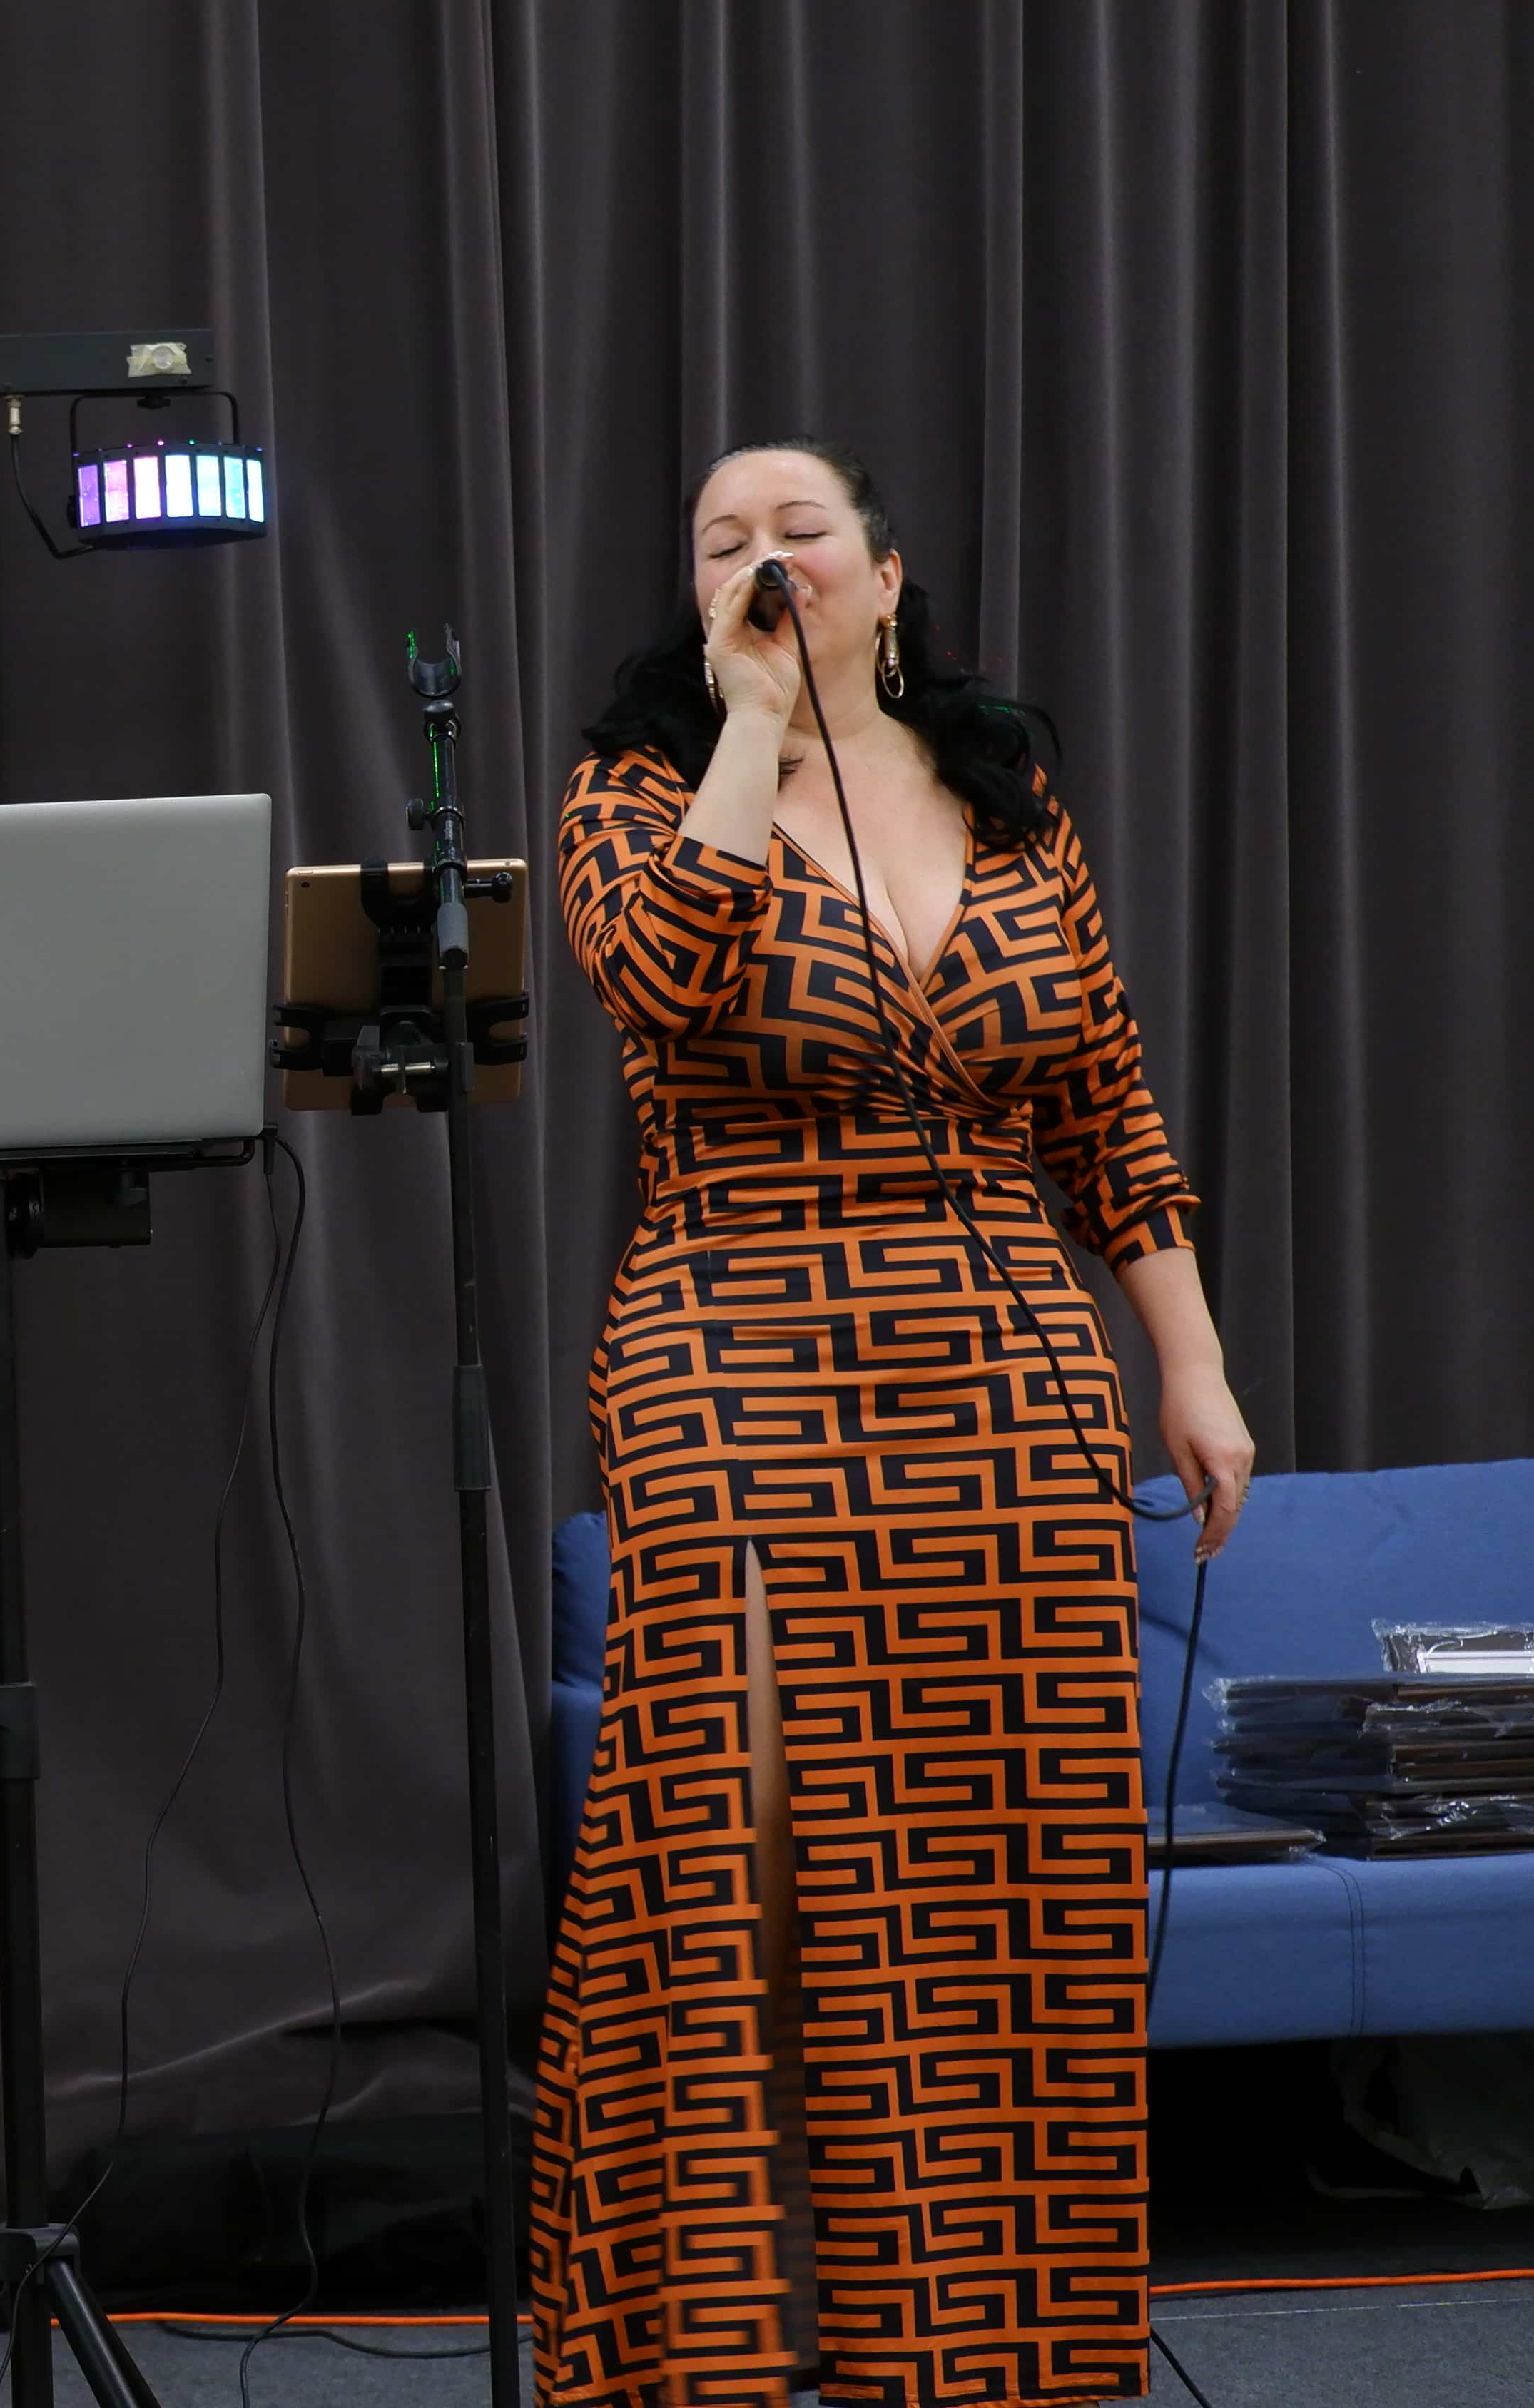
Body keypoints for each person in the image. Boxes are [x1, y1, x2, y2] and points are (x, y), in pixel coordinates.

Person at [531, 439, 1254, 2408]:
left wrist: (1190, 1364)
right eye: (724, 541)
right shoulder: (635, 796)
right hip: (734, 1336)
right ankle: (718, 2345)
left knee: (999, 1853)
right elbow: (662, 978)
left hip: (1002, 1360)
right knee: (740, 1835)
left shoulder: (1010, 803)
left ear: (889, 570)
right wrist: (745, 728)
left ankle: (972, 2352)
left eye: (801, 530)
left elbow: (1104, 1101)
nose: (767, 558)